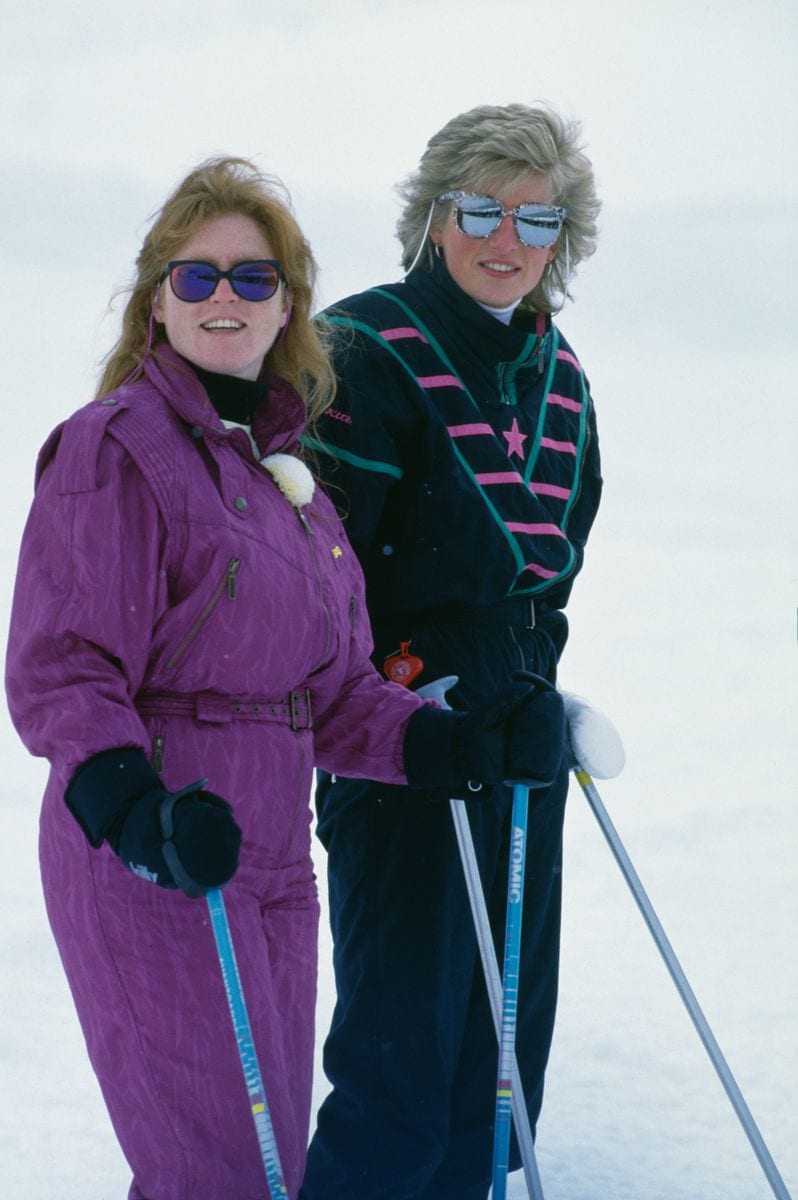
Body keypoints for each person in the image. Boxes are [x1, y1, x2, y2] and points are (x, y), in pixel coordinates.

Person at [4, 156, 566, 1200]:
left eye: (253, 278)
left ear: (287, 305)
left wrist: (456, 744)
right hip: (163, 848)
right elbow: (64, 668)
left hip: (270, 858)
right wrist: (135, 809)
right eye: (198, 275)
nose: (225, 298)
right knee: (214, 1172)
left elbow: (333, 694)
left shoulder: (285, 480)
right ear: (157, 299)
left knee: (270, 1168)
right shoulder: (116, 448)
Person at [300, 103, 603, 1200]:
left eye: (537, 217)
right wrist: (416, 687)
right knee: (400, 1052)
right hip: (404, 737)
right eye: (482, 210)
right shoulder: (361, 349)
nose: (507, 238)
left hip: (519, 728)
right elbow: (323, 579)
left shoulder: (560, 375)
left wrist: (536, 686)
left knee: (501, 1054)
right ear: (434, 216)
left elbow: (552, 576)